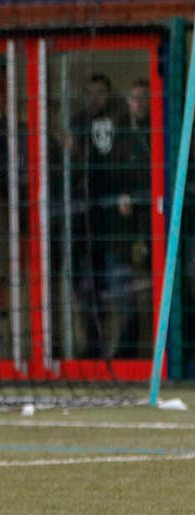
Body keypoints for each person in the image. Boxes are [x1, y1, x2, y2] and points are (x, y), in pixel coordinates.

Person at [69, 72, 146, 359]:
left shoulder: (121, 129)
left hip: (115, 226)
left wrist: (127, 197)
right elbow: (71, 175)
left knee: (120, 287)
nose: (95, 99)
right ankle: (94, 347)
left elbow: (132, 172)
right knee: (88, 290)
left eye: (100, 93)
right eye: (91, 93)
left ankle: (127, 352)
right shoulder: (78, 128)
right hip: (86, 227)